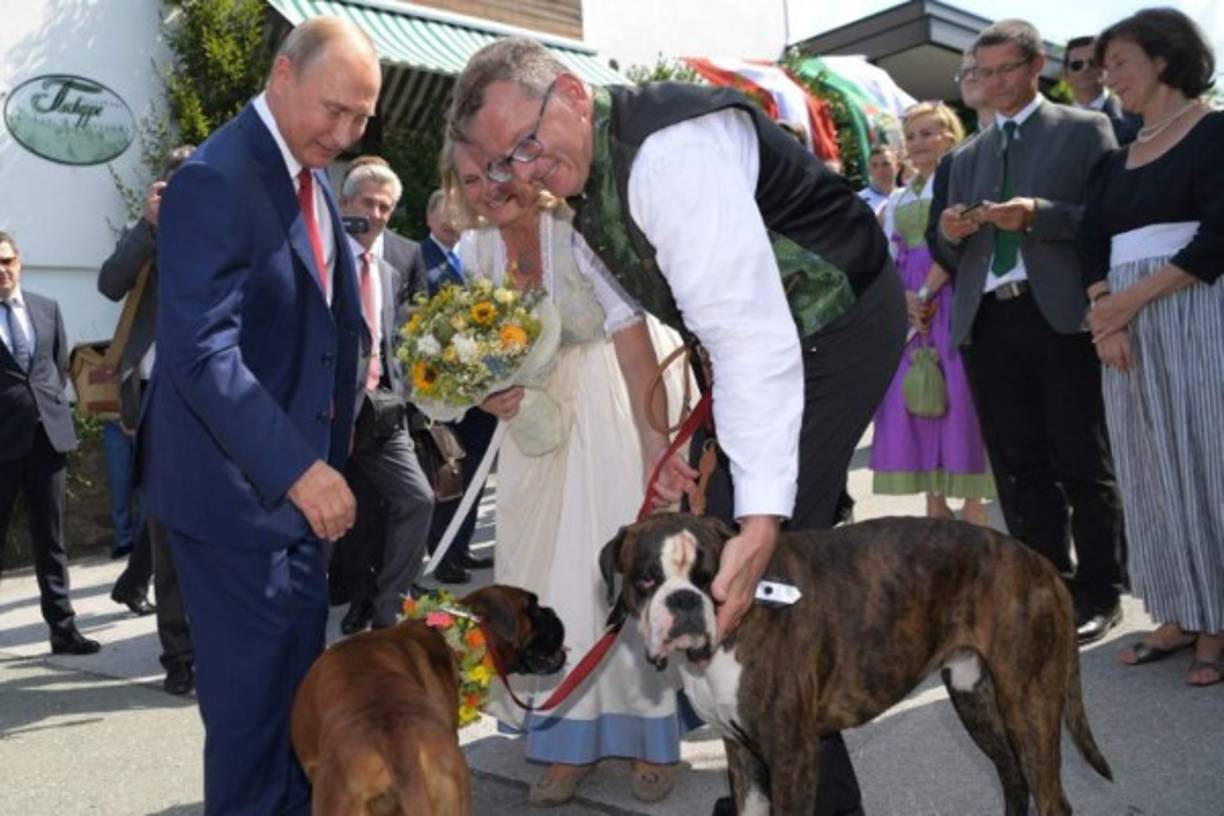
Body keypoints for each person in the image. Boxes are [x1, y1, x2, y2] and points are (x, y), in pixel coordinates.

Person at [448, 37, 908, 816]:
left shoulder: (668, 159)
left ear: (572, 95)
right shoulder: (593, 176)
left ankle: (812, 803)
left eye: (525, 146)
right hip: (770, 343)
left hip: (833, 329)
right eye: (502, 165)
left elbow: (751, 335)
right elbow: (706, 327)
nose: (522, 174)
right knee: (730, 555)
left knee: (758, 572)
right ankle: (759, 790)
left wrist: (762, 515)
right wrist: (686, 443)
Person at [141, 17, 377, 813]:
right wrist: (301, 469)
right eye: (333, 110)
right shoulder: (217, 177)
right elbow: (200, 353)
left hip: (303, 508)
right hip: (240, 505)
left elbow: (325, 331)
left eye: (361, 121)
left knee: (294, 724)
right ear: (282, 77)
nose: (344, 134)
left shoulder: (304, 177)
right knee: (249, 734)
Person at [442, 137, 686, 806]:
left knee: (610, 572)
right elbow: (477, 352)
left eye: (496, 168)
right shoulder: (475, 252)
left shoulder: (578, 232)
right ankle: (566, 742)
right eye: (469, 179)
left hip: (612, 409)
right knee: (537, 575)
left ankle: (646, 733)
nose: (488, 189)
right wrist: (485, 391)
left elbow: (637, 343)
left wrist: (657, 456)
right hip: (531, 430)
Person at [937, 19, 1125, 646]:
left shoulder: (1083, 130)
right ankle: (1046, 590)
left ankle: (1100, 592)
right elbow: (943, 242)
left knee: (1081, 459)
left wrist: (1039, 216)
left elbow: (1105, 218)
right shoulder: (965, 156)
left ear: (1036, 64)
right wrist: (952, 232)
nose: (994, 83)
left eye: (1006, 70)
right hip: (988, 320)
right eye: (983, 73)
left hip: (1059, 316)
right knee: (1018, 468)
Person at [1080, 8, 1223, 687]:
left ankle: (1216, 622)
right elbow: (1092, 243)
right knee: (1144, 472)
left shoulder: (1214, 132)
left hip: (1192, 311)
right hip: (1126, 329)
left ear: (1163, 61)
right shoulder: (1116, 156)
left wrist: (1124, 308)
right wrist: (1106, 318)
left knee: (1203, 463)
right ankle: (1174, 610)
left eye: (1120, 64)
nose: (1110, 78)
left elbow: (1216, 241)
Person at [98, 144, 197, 694]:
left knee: (202, 527)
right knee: (166, 533)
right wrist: (148, 225)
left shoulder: (225, 233)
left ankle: (207, 644)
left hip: (217, 398)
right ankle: (179, 656)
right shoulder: (151, 237)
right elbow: (110, 283)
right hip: (159, 396)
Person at [869, 103, 994, 525]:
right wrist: (903, 299)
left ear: (950, 137)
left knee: (961, 398)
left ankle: (974, 508)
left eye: (928, 133)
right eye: (912, 134)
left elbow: (958, 247)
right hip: (911, 310)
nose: (918, 142)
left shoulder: (959, 184)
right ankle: (934, 501)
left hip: (952, 300)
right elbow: (888, 257)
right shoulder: (897, 200)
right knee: (917, 399)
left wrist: (923, 293)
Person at [335, 160, 435, 634]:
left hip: (382, 411)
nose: (375, 215)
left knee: (417, 500)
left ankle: (388, 609)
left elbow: (410, 330)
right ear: (345, 204)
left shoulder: (398, 260)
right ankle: (312, 619)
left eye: (385, 207)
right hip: (328, 413)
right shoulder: (320, 256)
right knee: (339, 520)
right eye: (367, 203)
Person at [0, 231, 98, 656]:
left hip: (46, 440)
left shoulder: (46, 308)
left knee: (52, 540)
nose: (2, 271)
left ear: (19, 260)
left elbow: (55, 370)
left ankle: (63, 629)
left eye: (6, 261)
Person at [418, 186, 497, 586]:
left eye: (459, 214)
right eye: (445, 213)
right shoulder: (422, 259)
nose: (452, 221)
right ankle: (443, 552)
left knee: (477, 472)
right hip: (446, 394)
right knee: (449, 475)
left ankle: (462, 545)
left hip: (484, 390)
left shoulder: (475, 259)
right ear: (430, 218)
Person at [1064, 35, 1141, 146]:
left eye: (1093, 62)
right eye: (1077, 65)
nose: (1086, 68)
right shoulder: (1052, 123)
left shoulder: (1134, 117)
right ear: (1066, 75)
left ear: (1106, 68)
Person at [858, 144, 899, 214]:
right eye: (874, 166)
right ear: (869, 170)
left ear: (897, 167)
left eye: (886, 164)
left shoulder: (908, 196)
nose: (880, 170)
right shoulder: (858, 201)